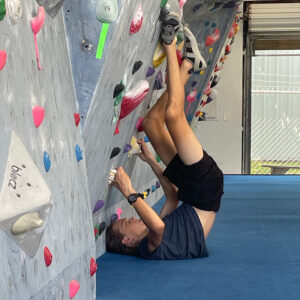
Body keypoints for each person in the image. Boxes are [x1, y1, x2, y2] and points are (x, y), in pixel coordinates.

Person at [106, 10, 224, 260]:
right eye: (125, 223)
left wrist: (150, 160)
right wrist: (128, 191)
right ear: (128, 240)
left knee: (151, 123)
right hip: (204, 191)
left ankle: (188, 67)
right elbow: (157, 227)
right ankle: (171, 43)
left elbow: (171, 195)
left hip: (192, 193)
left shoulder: (157, 235)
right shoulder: (150, 246)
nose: (128, 218)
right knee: (173, 116)